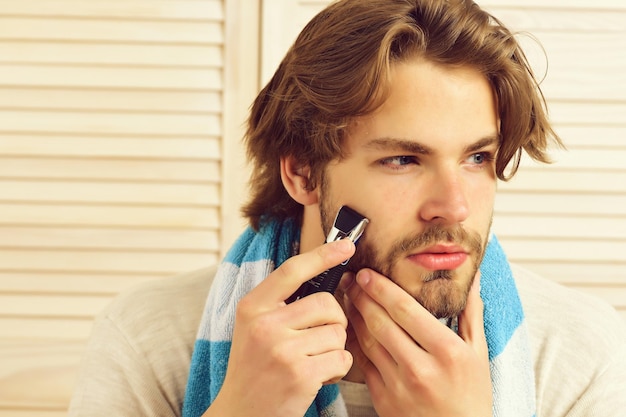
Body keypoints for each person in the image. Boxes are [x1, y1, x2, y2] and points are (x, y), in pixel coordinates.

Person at [68, 0, 626, 416]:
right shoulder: (150, 340)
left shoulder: (577, 353)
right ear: (303, 173)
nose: (453, 206)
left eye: (477, 157)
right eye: (404, 159)